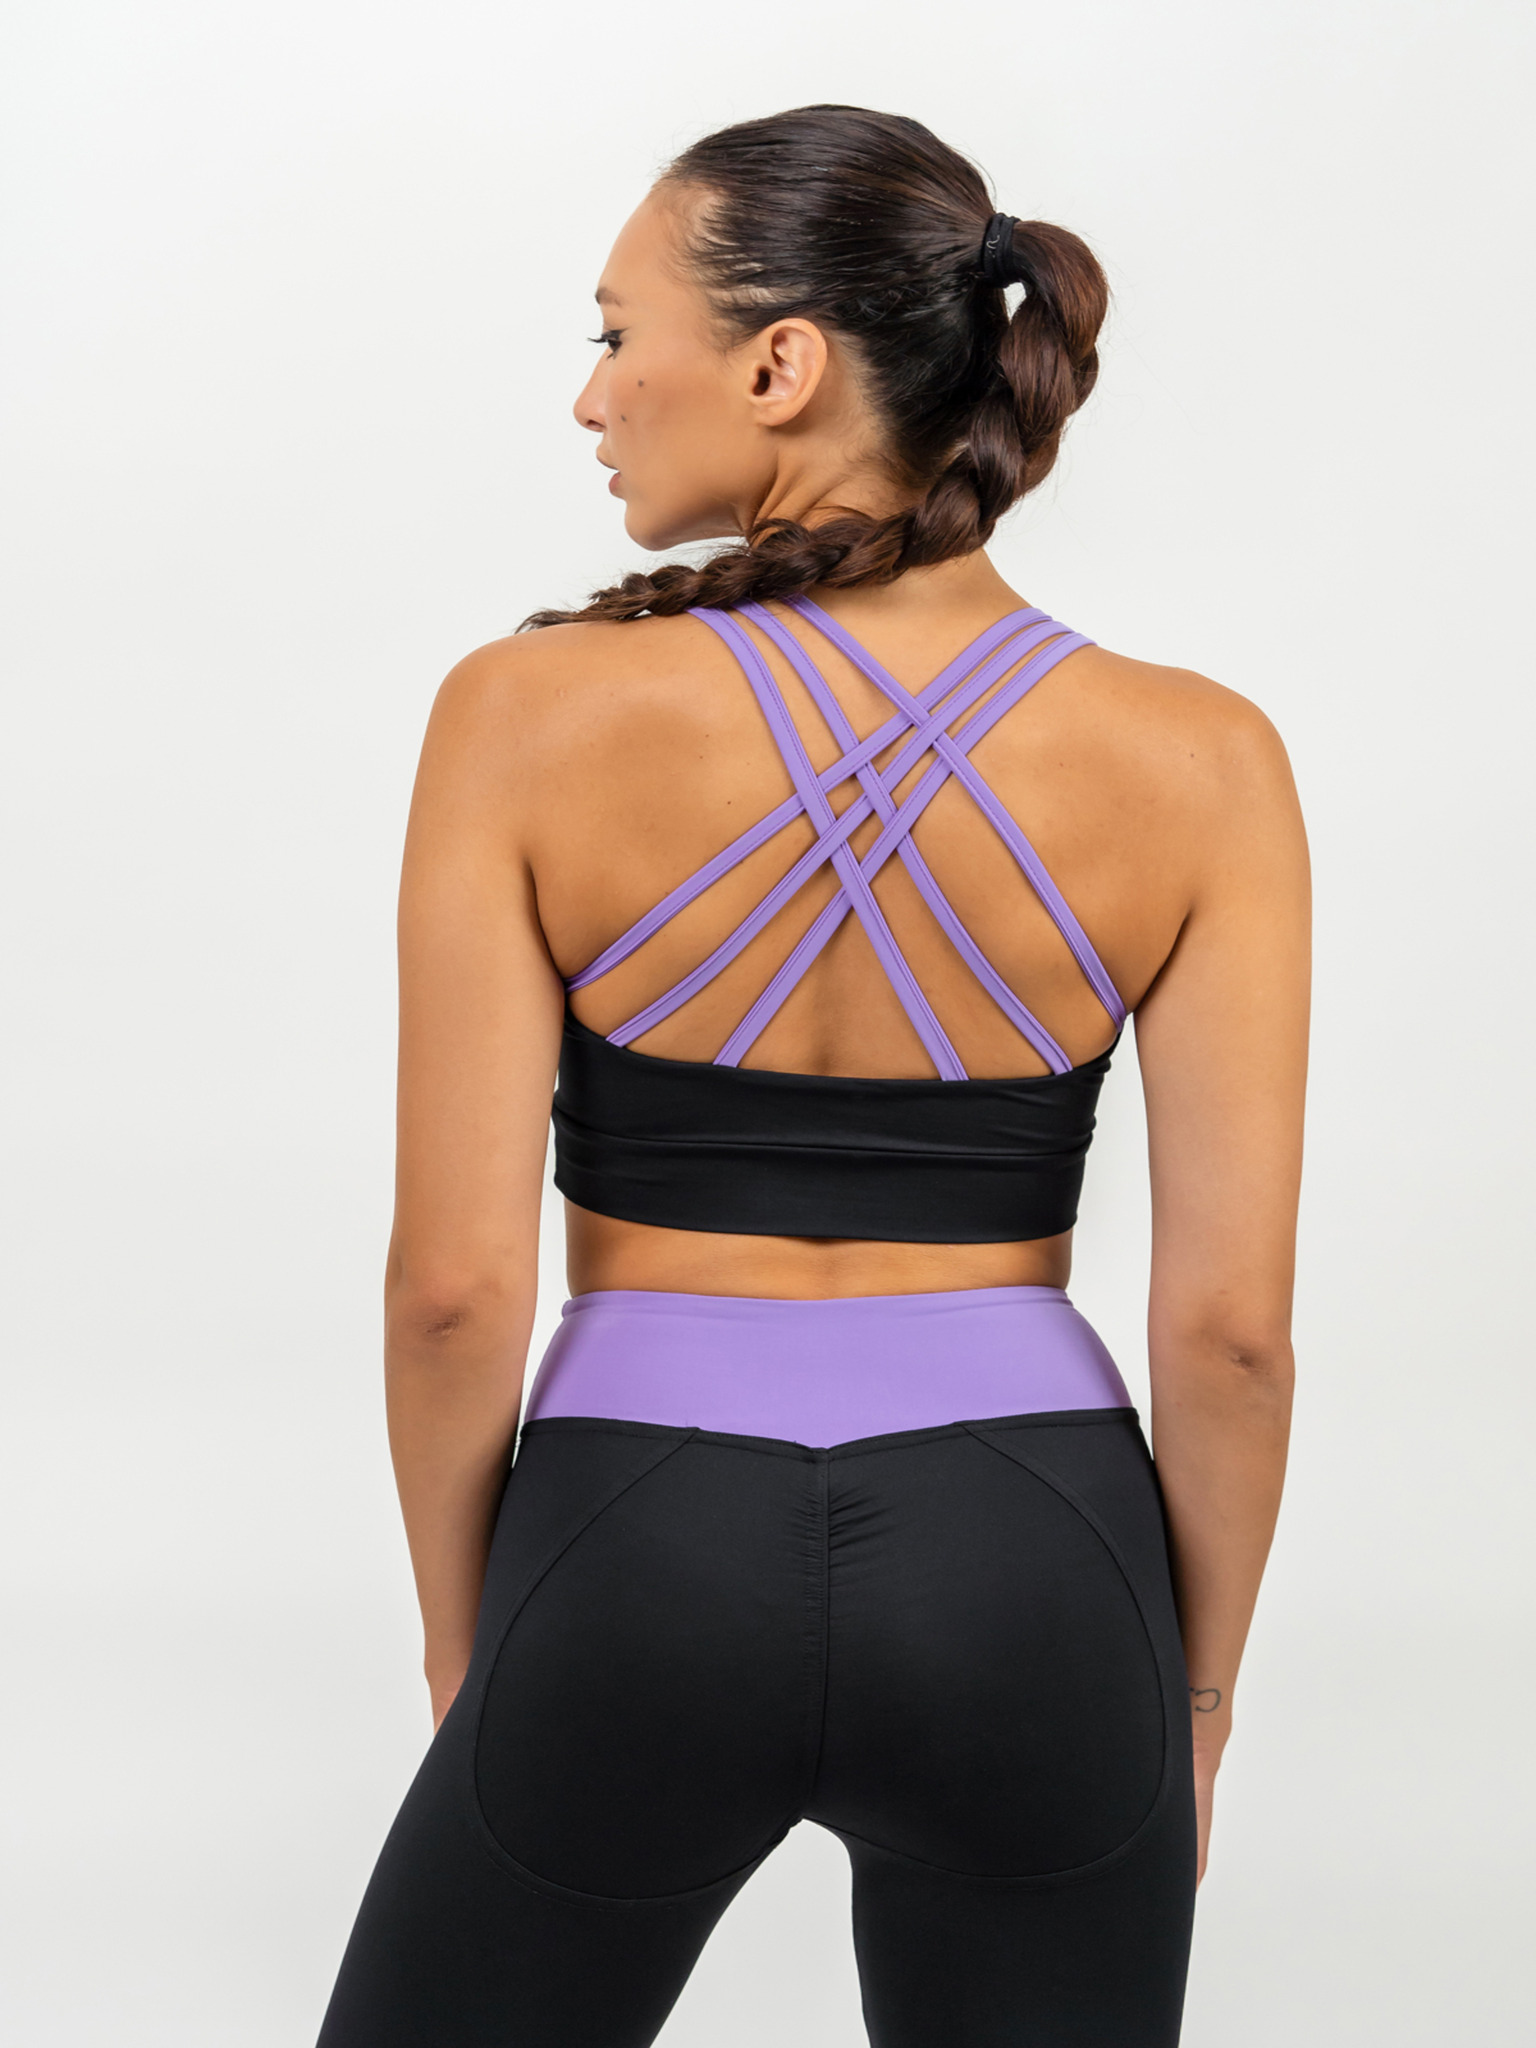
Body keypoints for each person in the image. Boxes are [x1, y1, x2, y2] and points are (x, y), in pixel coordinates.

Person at [316, 104, 1307, 2048]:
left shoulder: (521, 716)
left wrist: (470, 1643)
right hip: (1039, 1564)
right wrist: (1188, 1701)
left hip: (638, 1549)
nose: (593, 395)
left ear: (781, 366)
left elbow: (451, 1291)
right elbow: (1234, 1338)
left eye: (617, 334)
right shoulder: (1206, 761)